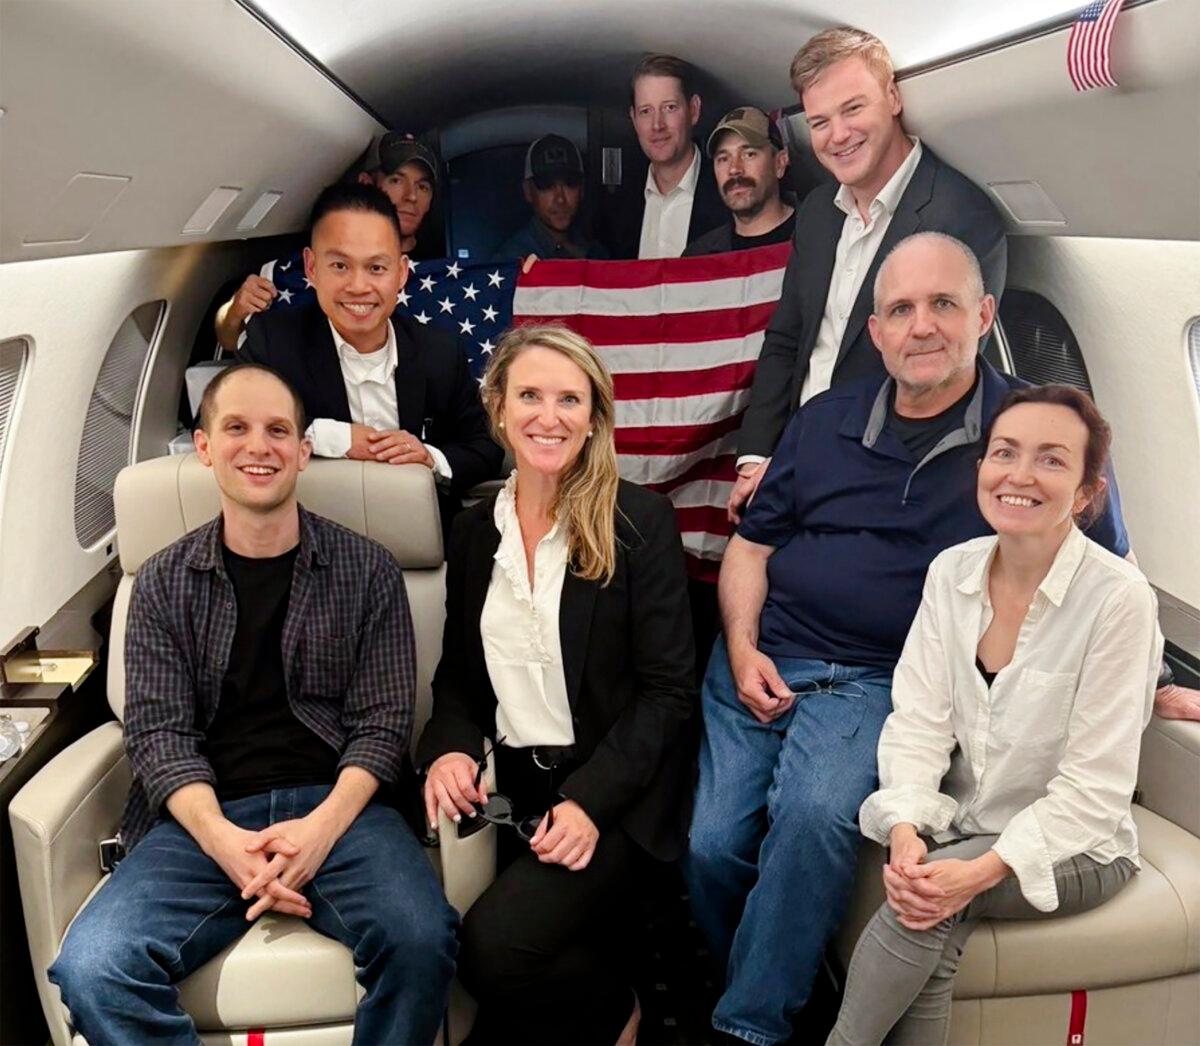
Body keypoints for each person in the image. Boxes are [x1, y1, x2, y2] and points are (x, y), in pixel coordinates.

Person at [684, 232, 1134, 1046]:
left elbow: (1107, 580)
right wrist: (743, 646)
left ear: (983, 314)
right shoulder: (823, 421)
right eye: (900, 310)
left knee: (814, 816)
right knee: (712, 846)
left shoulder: (1030, 437)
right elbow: (751, 546)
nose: (921, 326)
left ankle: (750, 1026)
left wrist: (1150, 684)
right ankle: (757, 982)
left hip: (878, 677)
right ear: (877, 331)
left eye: (943, 305)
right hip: (762, 652)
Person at [47, 363, 458, 1045]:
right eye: (235, 428)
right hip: (202, 819)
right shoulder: (160, 583)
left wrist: (316, 833)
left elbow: (382, 728)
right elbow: (159, 738)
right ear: (204, 448)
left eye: (277, 431)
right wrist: (230, 848)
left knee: (421, 938)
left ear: (303, 450)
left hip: (342, 810)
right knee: (93, 967)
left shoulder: (368, 569)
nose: (258, 446)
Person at [827, 384, 1161, 1046]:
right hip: (963, 827)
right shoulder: (951, 573)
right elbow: (918, 721)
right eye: (1004, 452)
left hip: (1077, 846)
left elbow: (1094, 793)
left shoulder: (1120, 599)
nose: (1020, 474)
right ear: (981, 468)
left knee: (920, 910)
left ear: (1088, 491)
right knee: (932, 920)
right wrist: (907, 828)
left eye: (1052, 459)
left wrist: (975, 872)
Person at [416, 324, 696, 1045]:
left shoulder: (640, 522)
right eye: (531, 395)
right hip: (515, 788)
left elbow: (668, 695)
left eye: (570, 399)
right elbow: (461, 678)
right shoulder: (476, 533)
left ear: (595, 417)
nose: (550, 416)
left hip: (615, 796)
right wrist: (449, 749)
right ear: (499, 409)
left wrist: (587, 803)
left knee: (492, 950)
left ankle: (619, 1015)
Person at [729, 27, 1008, 522]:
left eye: (853, 109)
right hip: (791, 458)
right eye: (819, 121)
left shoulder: (960, 217)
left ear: (893, 98)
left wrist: (813, 465)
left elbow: (936, 382)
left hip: (883, 476)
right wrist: (756, 459)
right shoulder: (817, 213)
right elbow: (787, 340)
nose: (838, 135)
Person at [238, 181, 503, 532]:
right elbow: (224, 425)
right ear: (312, 268)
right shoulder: (273, 341)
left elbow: (485, 447)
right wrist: (339, 439)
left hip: (421, 537)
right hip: (312, 541)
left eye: (376, 268)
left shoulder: (439, 351)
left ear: (402, 273)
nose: (359, 287)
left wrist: (429, 457)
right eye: (340, 266)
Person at [215, 132, 440, 351]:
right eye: (396, 180)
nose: (411, 196)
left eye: (423, 187)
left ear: (401, 272)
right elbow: (231, 341)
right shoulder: (297, 268)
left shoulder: (444, 277)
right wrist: (235, 311)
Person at [599, 53, 727, 259]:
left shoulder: (728, 193)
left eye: (669, 107)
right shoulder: (615, 209)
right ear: (633, 118)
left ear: (693, 110)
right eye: (645, 111)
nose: (657, 125)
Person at [683, 106, 796, 256]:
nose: (734, 169)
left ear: (780, 163)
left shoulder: (820, 237)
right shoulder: (698, 258)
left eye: (749, 154)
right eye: (723, 159)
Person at [494, 134, 608, 261]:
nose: (560, 199)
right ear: (528, 191)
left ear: (582, 189)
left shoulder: (595, 252)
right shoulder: (511, 261)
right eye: (547, 185)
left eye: (570, 183)